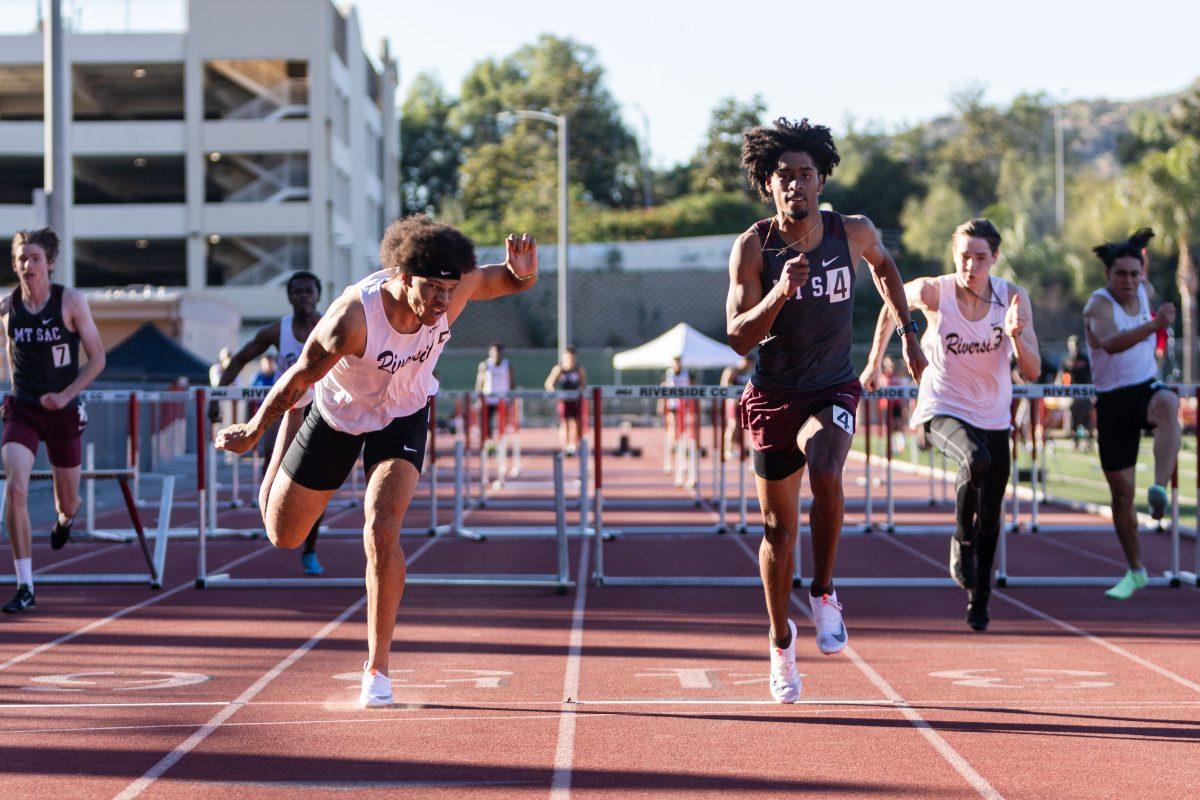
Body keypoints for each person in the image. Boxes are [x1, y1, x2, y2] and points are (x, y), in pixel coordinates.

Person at [215, 216, 537, 707]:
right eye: (431, 290)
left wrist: (525, 271)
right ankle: (286, 436)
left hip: (404, 412)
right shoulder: (352, 317)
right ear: (401, 277)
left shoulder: (456, 286)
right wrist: (254, 428)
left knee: (381, 528)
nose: (441, 303)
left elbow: (508, 280)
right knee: (284, 534)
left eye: (449, 292)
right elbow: (298, 377)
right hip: (337, 412)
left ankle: (378, 670)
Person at [726, 118, 925, 703]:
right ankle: (780, 643)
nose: (796, 186)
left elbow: (886, 268)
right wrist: (780, 291)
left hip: (832, 386)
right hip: (772, 394)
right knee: (776, 532)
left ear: (821, 180)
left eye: (805, 175)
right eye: (783, 176)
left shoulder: (852, 231)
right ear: (769, 185)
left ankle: (824, 592)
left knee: (830, 469)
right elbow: (738, 336)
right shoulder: (753, 246)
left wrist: (910, 336)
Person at [862, 219, 1041, 631]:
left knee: (993, 516)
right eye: (964, 256)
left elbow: (1031, 372)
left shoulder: (1012, 298)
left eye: (980, 257)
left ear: (994, 258)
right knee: (974, 460)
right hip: (942, 408)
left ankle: (979, 602)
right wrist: (874, 362)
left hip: (994, 415)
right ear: (953, 255)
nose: (971, 265)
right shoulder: (934, 291)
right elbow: (893, 302)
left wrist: (1015, 336)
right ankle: (961, 539)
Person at [1, 228, 105, 614]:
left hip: (63, 409)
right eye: (21, 259)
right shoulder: (7, 306)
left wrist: (65, 394)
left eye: (35, 258)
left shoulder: (71, 301)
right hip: (23, 408)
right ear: (14, 264)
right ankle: (25, 584)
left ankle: (64, 522)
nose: (28, 265)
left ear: (49, 263)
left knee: (69, 501)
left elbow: (97, 359)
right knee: (15, 488)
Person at [1083, 228, 1179, 600]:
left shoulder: (1142, 288)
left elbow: (1142, 262)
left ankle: (1158, 488)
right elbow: (1110, 343)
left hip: (1145, 390)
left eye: (1134, 274)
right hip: (1112, 402)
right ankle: (1136, 570)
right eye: (1120, 274)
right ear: (1108, 275)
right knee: (1122, 497)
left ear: (1142, 274)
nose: (1129, 281)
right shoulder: (1098, 305)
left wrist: (1140, 244)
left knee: (1169, 403)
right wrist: (1155, 324)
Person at [211, 271, 326, 574]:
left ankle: (310, 549)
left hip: (322, 412)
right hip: (284, 412)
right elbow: (239, 359)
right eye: (297, 291)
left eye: (308, 291)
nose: (303, 296)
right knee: (270, 473)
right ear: (290, 296)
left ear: (318, 295)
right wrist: (216, 397)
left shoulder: (331, 325)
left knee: (316, 485)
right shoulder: (279, 331)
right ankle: (276, 517)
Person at [544, 346, 587, 455]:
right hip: (564, 400)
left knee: (577, 423)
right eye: (568, 356)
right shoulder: (559, 369)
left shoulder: (579, 369)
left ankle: (574, 445)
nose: (570, 359)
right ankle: (566, 446)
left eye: (572, 357)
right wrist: (554, 393)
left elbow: (583, 384)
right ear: (564, 357)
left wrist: (580, 392)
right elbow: (549, 383)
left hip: (576, 400)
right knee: (565, 423)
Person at [1057, 335, 1094, 450]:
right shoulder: (1067, 360)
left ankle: (1088, 442)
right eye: (1073, 346)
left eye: (1077, 345)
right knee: (1074, 418)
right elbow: (1060, 378)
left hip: (1085, 393)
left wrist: (1092, 392)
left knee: (1087, 418)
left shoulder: (1085, 359)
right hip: (1072, 395)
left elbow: (1091, 376)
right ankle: (1075, 442)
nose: (1075, 348)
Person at [475, 342, 512, 443]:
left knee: (502, 423)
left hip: (503, 399)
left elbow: (511, 382)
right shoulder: (485, 365)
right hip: (488, 399)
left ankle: (502, 443)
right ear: (491, 353)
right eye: (495, 352)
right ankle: (489, 443)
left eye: (499, 352)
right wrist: (479, 398)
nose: (497, 355)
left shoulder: (507, 365)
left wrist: (511, 397)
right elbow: (479, 383)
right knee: (487, 424)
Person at [660, 356, 691, 474]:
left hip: (684, 404)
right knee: (672, 426)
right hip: (672, 404)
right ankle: (674, 446)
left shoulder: (686, 372)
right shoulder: (668, 373)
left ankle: (680, 450)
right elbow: (663, 387)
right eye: (675, 362)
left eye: (679, 362)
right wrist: (661, 404)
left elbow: (692, 385)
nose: (677, 364)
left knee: (683, 429)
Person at [719, 356, 752, 457]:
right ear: (743, 360)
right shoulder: (732, 370)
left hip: (743, 404)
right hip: (732, 403)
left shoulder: (749, 373)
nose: (749, 365)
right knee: (733, 425)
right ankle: (727, 449)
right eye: (748, 362)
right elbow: (724, 386)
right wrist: (731, 399)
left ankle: (736, 448)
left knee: (741, 427)